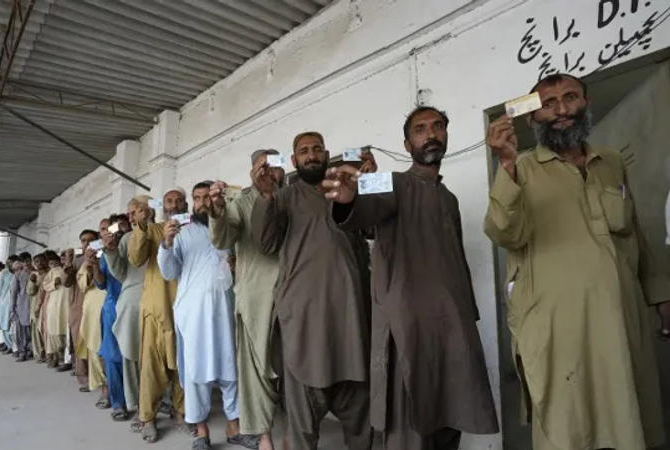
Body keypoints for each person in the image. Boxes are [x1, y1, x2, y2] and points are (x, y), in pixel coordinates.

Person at [484, 73, 668, 450]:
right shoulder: (520, 169)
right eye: (548, 103)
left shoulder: (611, 162)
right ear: (532, 118)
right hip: (558, 329)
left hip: (620, 319)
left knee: (627, 417)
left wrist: (661, 294)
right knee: (569, 425)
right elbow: (504, 233)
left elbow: (634, 230)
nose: (562, 109)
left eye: (570, 98)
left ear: (586, 103)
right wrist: (504, 164)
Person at [324, 107, 500, 449]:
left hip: (453, 329)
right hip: (407, 329)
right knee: (409, 432)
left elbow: (457, 262)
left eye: (437, 127)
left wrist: (467, 318)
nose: (430, 134)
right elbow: (362, 209)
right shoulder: (390, 182)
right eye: (420, 129)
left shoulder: (449, 199)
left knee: (449, 423)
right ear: (407, 144)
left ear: (446, 135)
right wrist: (347, 199)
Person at [251, 132, 372, 450]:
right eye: (304, 151)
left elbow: (373, 228)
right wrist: (265, 197)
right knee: (303, 426)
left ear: (327, 153)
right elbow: (266, 243)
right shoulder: (285, 197)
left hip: (349, 319)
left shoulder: (343, 189)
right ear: (294, 161)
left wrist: (370, 183)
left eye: (317, 149)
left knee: (361, 420)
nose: (312, 155)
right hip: (305, 322)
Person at [159, 181, 257, 450]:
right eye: (197, 198)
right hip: (194, 315)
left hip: (225, 309)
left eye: (206, 198)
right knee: (197, 373)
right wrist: (166, 243)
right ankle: (201, 432)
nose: (202, 203)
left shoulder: (228, 227)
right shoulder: (181, 232)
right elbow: (168, 272)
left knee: (230, 370)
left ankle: (234, 428)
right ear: (192, 202)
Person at [208, 150, 285, 450]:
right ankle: (265, 437)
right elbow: (223, 239)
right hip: (256, 297)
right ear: (252, 170)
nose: (269, 171)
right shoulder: (240, 202)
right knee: (257, 370)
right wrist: (216, 211)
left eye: (274, 165)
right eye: (262, 166)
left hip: (295, 292)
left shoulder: (291, 197)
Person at [126, 190, 190, 442]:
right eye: (169, 202)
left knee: (183, 364)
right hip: (156, 307)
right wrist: (141, 225)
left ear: (186, 205)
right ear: (161, 206)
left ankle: (180, 411)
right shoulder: (152, 230)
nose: (174, 205)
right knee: (151, 366)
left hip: (185, 307)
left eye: (178, 201)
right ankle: (147, 417)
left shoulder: (192, 229)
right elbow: (136, 258)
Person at [103, 205, 147, 432]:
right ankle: (127, 403)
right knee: (121, 356)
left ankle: (156, 403)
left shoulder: (156, 233)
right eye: (113, 226)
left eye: (126, 221)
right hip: (121, 305)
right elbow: (109, 277)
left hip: (154, 302)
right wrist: (107, 252)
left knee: (156, 357)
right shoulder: (119, 244)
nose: (119, 228)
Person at [96, 215, 127, 420]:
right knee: (114, 357)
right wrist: (92, 265)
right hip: (113, 307)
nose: (113, 231)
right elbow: (101, 283)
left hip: (136, 306)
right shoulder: (105, 253)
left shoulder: (134, 246)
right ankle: (118, 403)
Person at [76, 232, 106, 391]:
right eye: (83, 241)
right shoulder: (82, 263)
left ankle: (108, 388)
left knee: (103, 347)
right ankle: (101, 386)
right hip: (90, 310)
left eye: (91, 241)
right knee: (93, 347)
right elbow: (82, 285)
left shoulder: (107, 257)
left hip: (104, 305)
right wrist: (88, 264)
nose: (87, 244)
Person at [13, 252, 34, 361]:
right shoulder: (18, 274)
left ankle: (32, 350)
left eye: (28, 260)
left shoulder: (36, 272)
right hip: (22, 304)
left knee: (32, 329)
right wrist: (12, 307)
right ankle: (22, 351)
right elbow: (14, 291)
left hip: (35, 304)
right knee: (22, 329)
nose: (26, 263)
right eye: (24, 261)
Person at [28, 254, 48, 363]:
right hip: (35, 305)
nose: (39, 263)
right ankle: (39, 354)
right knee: (36, 330)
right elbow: (30, 292)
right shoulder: (34, 275)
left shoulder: (50, 273)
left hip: (47, 303)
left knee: (45, 329)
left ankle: (49, 352)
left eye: (41, 261)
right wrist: (32, 282)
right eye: (36, 261)